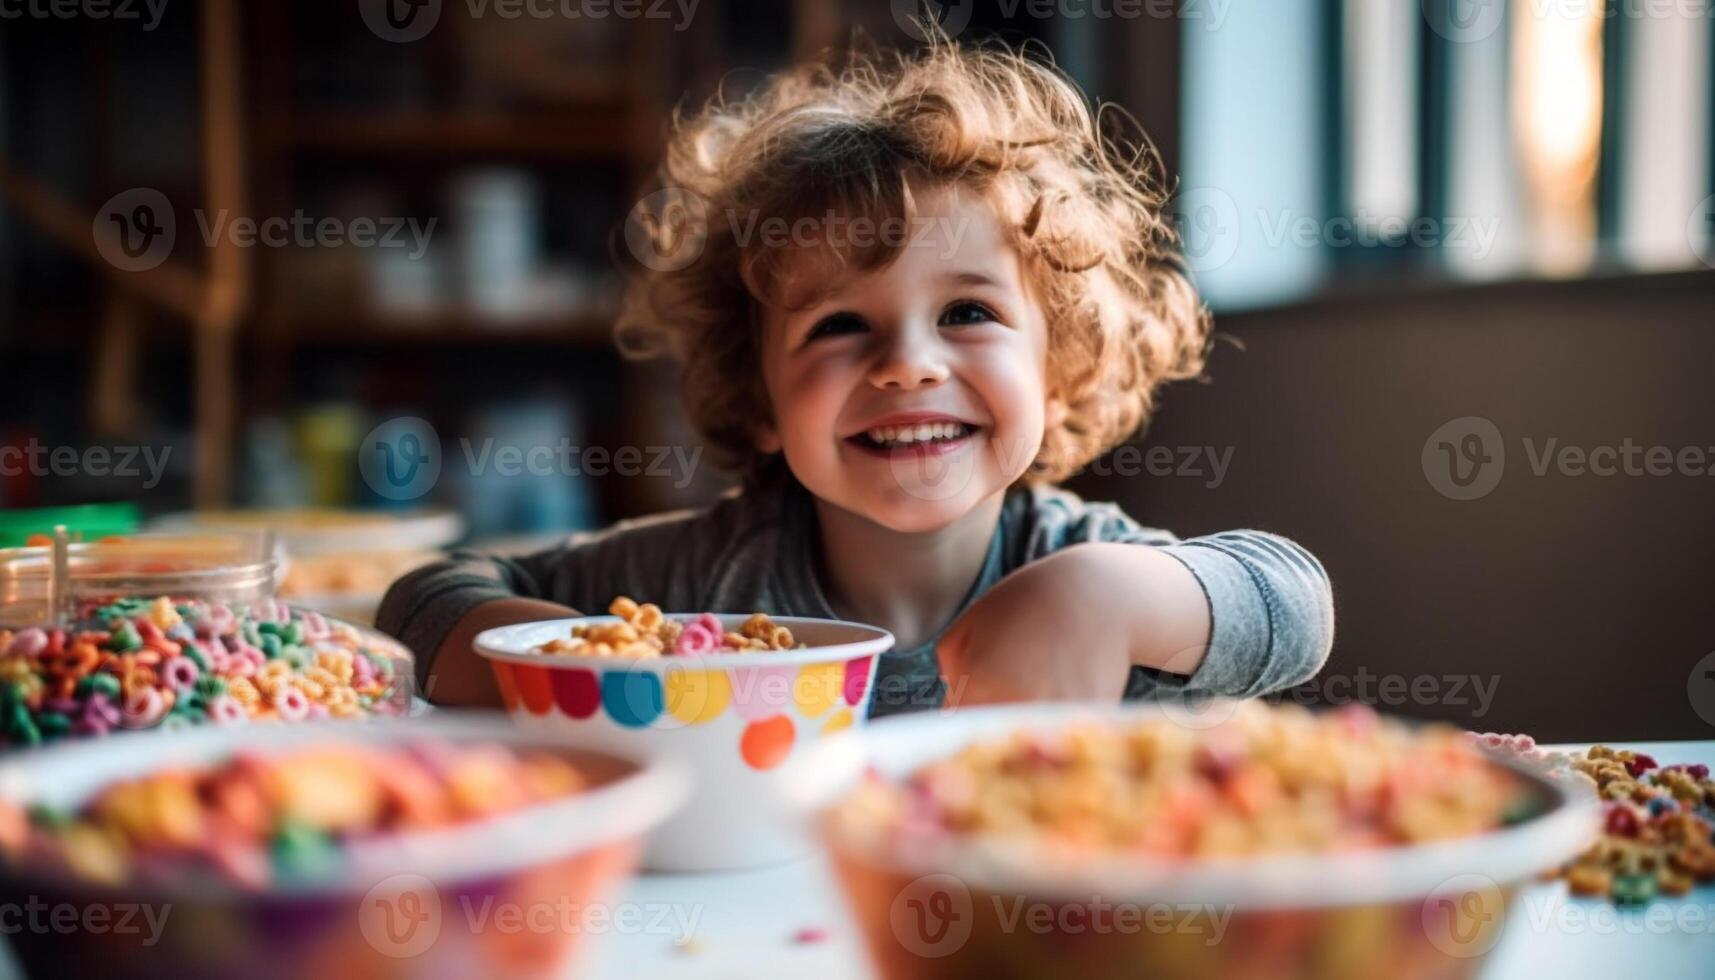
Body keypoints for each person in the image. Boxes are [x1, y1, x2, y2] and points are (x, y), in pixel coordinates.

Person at [377, 38, 1333, 717]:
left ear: (1058, 368)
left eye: (967, 313)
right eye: (839, 325)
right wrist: (572, 660)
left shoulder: (1075, 555)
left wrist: (1106, 597)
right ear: (757, 397)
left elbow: (1297, 606)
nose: (908, 364)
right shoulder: (703, 581)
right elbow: (418, 602)